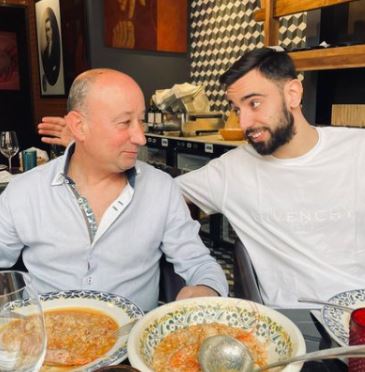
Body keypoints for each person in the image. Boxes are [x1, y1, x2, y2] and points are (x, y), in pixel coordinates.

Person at [37, 48, 365, 309]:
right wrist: (90, 149)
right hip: (293, 322)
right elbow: (151, 192)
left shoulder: (357, 151)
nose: (246, 122)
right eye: (237, 108)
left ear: (293, 92)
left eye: (254, 103)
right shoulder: (233, 169)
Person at [0, 68, 228, 312]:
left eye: (140, 121)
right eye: (124, 123)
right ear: (79, 126)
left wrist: (206, 288)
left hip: (132, 341)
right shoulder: (24, 191)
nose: (141, 137)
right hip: (45, 341)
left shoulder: (161, 189)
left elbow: (199, 263)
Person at [41, 7, 61, 87]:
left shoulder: (57, 49)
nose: (49, 33)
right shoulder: (45, 51)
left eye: (50, 29)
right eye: (47, 30)